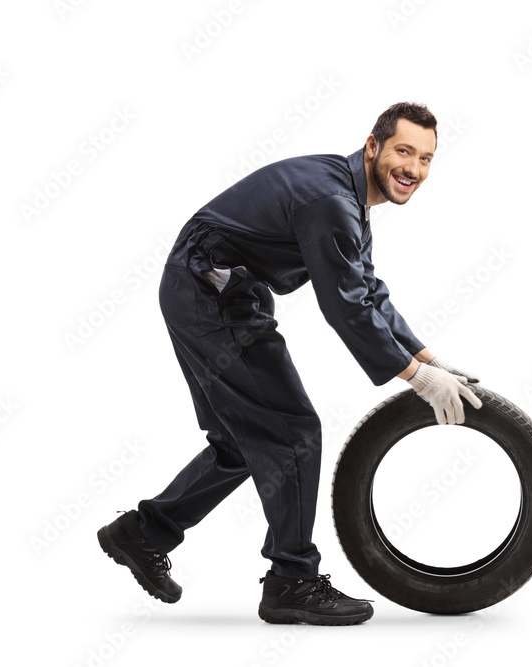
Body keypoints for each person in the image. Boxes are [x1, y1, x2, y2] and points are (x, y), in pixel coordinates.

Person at [97, 102, 483, 626]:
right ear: (373, 146)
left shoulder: (348, 197)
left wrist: (433, 362)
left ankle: (143, 533)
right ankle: (292, 582)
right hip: (209, 290)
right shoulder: (332, 201)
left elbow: (368, 291)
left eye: (427, 159)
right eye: (404, 151)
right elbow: (345, 306)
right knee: (292, 431)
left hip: (212, 289)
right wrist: (417, 380)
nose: (414, 168)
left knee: (243, 441)